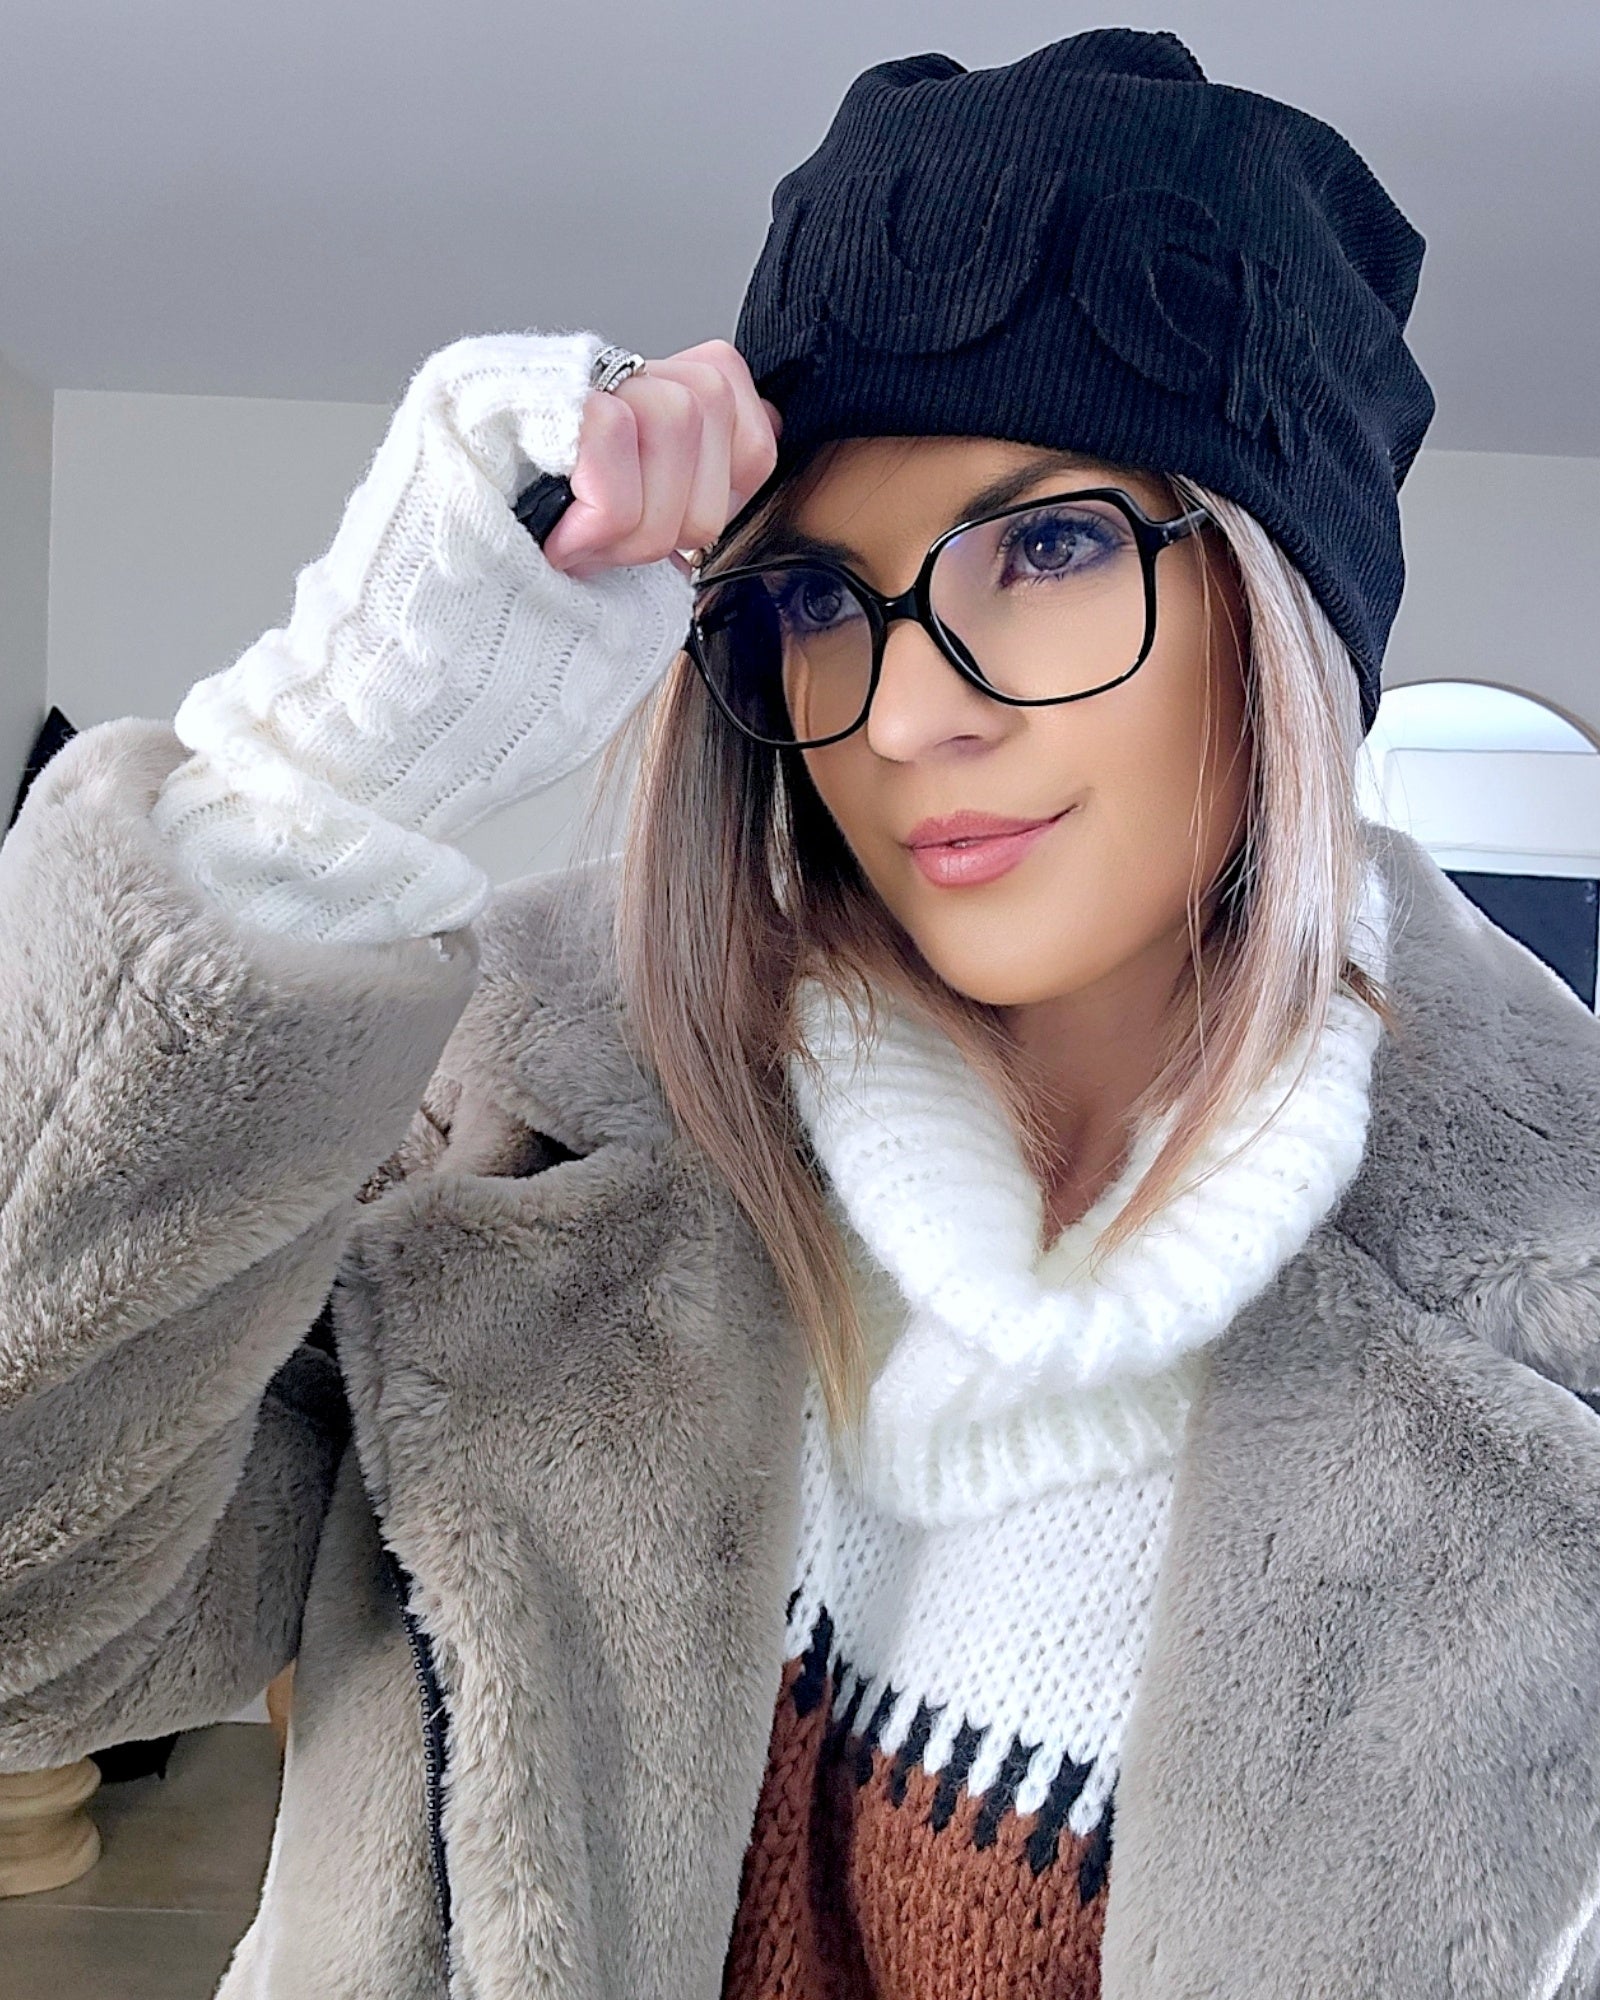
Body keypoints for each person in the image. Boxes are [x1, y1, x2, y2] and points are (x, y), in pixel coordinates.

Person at [3, 24, 1600, 2000]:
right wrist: (322, 779)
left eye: (1049, 544)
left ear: (1282, 617)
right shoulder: (507, 1135)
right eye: (820, 598)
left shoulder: (1545, 1328)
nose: (908, 710)